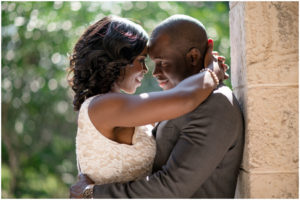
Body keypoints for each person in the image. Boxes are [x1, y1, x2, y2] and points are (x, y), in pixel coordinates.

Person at [68, 15, 228, 198]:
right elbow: (185, 100)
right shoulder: (104, 106)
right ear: (119, 60)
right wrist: (212, 70)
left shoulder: (119, 108)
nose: (146, 70)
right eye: (142, 60)